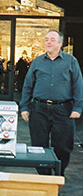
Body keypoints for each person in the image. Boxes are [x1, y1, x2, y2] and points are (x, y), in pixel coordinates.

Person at [20, 30, 83, 176]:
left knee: (63, 147)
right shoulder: (37, 61)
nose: (48, 42)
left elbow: (78, 85)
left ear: (60, 44)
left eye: (52, 39)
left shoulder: (71, 61)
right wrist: (24, 106)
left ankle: (58, 175)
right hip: (39, 109)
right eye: (46, 39)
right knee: (38, 146)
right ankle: (45, 177)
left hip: (63, 110)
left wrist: (78, 108)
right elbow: (28, 85)